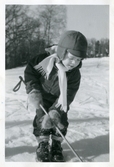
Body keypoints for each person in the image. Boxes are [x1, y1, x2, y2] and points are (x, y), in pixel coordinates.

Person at [24, 30, 88, 162]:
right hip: (42, 97)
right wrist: (33, 91)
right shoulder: (43, 60)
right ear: (62, 52)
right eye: (71, 58)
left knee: (61, 121)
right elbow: (30, 72)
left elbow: (70, 92)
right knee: (41, 120)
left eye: (78, 59)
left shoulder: (74, 73)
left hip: (61, 100)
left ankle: (57, 144)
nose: (74, 63)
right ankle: (43, 144)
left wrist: (56, 111)